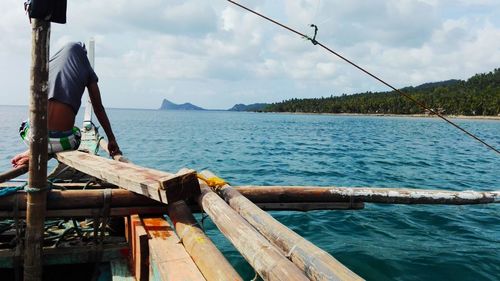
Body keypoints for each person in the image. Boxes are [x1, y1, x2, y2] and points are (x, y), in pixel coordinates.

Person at [11, 42, 121, 168]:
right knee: (77, 134)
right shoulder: (86, 69)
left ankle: (36, 150)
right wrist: (112, 139)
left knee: (24, 125)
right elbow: (98, 108)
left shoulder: (49, 63)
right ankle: (42, 150)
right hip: (62, 142)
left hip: (33, 136)